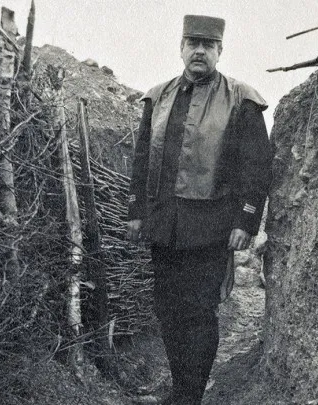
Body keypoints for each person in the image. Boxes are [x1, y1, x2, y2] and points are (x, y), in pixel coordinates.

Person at [126, 14, 274, 405]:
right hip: (165, 226)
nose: (199, 51)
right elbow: (142, 159)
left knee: (198, 312)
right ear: (181, 48)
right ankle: (181, 386)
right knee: (168, 309)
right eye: (192, 42)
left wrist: (246, 218)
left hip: (210, 227)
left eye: (208, 45)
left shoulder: (242, 99)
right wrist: (136, 212)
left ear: (219, 52)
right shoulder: (157, 97)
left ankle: (190, 395)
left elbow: (256, 167)